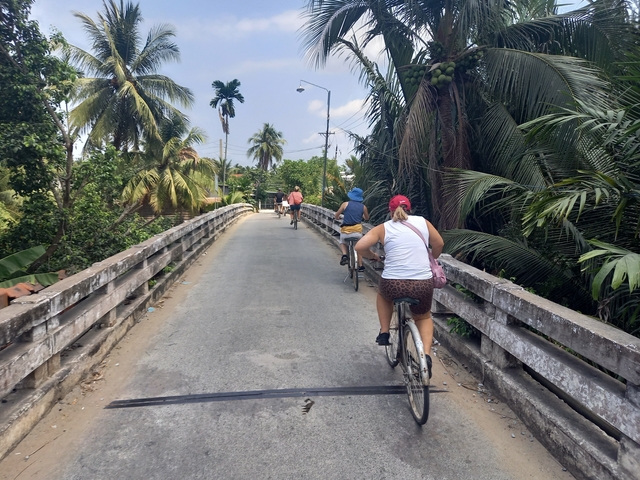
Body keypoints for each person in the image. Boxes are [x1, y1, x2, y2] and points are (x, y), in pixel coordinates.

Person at [355, 194, 444, 378]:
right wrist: (432, 258)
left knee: (383, 295)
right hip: (422, 283)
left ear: (390, 210)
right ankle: (426, 356)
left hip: (393, 284)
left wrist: (372, 256)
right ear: (410, 209)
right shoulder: (423, 222)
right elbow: (439, 243)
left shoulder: (383, 228)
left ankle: (385, 332)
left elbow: (359, 247)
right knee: (423, 317)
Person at [334, 188, 370, 271]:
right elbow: (367, 218)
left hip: (345, 231)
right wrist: (362, 216)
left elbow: (336, 215)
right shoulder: (363, 207)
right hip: (357, 232)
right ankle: (360, 266)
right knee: (359, 248)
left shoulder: (345, 204)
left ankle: (344, 255)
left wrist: (337, 217)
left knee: (342, 242)